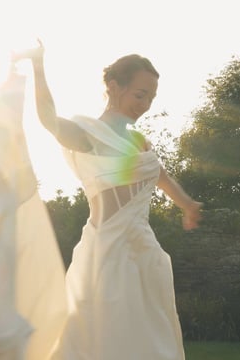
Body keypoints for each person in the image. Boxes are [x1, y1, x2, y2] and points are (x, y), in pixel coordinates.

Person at [15, 41, 202, 360]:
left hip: (145, 252)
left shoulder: (139, 140)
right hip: (107, 251)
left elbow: (161, 176)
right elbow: (48, 119)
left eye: (151, 98)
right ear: (114, 87)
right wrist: (38, 65)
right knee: (104, 335)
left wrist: (186, 204)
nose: (145, 105)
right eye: (140, 95)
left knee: (149, 340)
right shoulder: (90, 133)